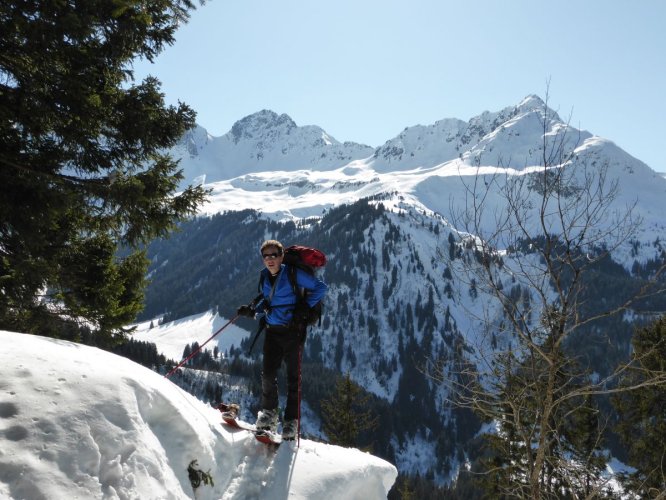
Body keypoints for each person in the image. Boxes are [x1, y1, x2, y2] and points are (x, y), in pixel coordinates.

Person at [237, 239, 327, 440]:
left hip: (293, 332)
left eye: (274, 255)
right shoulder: (264, 276)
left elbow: (320, 287)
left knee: (293, 378)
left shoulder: (293, 274)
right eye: (266, 256)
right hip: (272, 331)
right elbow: (269, 301)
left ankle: (291, 422)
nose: (270, 259)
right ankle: (269, 414)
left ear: (282, 256)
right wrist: (252, 311)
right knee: (268, 375)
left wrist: (304, 307)